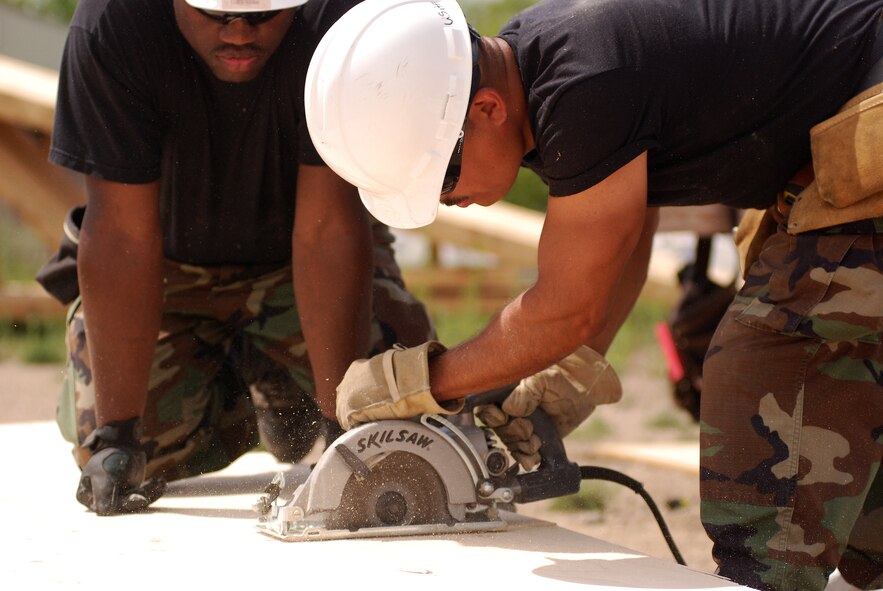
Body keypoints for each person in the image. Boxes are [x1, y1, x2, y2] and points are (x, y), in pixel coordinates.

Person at [303, 0, 883, 589]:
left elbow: (566, 307)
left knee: (771, 360)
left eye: (443, 180)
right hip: (856, 129)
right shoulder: (542, 70)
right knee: (861, 506)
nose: (445, 202)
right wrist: (574, 371)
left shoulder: (584, 85)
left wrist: (419, 383)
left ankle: (765, 579)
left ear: (486, 108)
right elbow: (626, 229)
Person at [39, 0, 434, 517]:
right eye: (218, 16)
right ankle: (239, 386)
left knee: (394, 431)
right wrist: (117, 434)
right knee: (137, 452)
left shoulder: (340, 23)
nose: (241, 34)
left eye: (262, 15)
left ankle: (298, 397)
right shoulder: (115, 21)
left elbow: (325, 233)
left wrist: (346, 430)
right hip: (167, 269)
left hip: (301, 264)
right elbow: (122, 236)